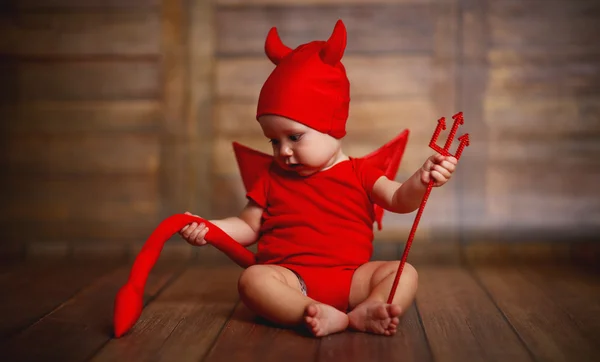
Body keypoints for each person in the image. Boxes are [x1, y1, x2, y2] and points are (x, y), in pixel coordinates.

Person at [179, 20, 457, 337]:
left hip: (354, 279)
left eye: (294, 137)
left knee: (403, 271)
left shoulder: (359, 172)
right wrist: (209, 228)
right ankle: (308, 311)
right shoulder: (272, 177)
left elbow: (398, 199)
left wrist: (422, 179)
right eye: (273, 140)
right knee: (253, 279)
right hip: (291, 279)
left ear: (331, 126)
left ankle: (372, 306)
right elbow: (246, 227)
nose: (283, 151)